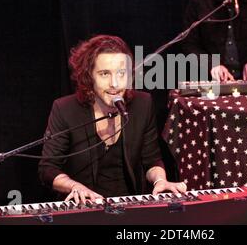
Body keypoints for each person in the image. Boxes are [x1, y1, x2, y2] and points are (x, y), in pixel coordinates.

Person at [38, 35, 186, 204]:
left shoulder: (142, 104)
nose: (114, 83)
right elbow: (48, 168)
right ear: (89, 76)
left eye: (121, 73)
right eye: (104, 74)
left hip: (130, 206)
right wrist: (74, 186)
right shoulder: (65, 109)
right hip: (84, 208)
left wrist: (160, 180)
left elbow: (151, 159)